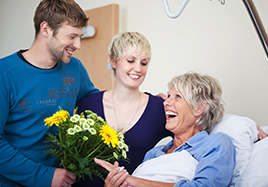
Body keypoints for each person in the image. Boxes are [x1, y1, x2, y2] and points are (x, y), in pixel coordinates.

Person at [0, 0, 99, 186]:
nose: (78, 44)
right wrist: (45, 176)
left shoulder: (75, 69)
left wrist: (148, 101)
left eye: (80, 36)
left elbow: (97, 103)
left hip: (63, 180)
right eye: (72, 36)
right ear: (45, 29)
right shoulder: (4, 74)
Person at [94, 71, 237, 187]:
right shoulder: (154, 153)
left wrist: (131, 180)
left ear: (199, 107)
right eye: (168, 96)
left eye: (177, 97)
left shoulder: (216, 144)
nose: (166, 102)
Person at [74, 32, 173, 186]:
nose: (138, 68)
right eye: (131, 60)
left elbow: (188, 140)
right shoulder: (88, 105)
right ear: (113, 61)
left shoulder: (158, 108)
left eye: (144, 63)